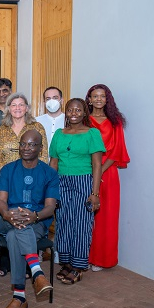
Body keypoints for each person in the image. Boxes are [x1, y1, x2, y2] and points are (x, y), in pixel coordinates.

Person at [0, 130, 58, 308]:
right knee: (17, 224)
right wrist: (7, 215)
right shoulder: (8, 169)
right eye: (23, 144)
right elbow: (1, 201)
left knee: (16, 235)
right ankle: (37, 272)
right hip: (8, 219)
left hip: (36, 221)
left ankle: (19, 297)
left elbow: (50, 207)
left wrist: (34, 216)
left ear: (40, 148)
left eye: (32, 145)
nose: (26, 148)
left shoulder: (49, 173)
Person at [49, 99, 105, 285]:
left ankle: (79, 266)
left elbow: (97, 164)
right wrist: (50, 190)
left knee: (81, 223)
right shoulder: (59, 134)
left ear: (84, 113)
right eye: (70, 109)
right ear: (66, 113)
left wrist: (95, 193)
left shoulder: (92, 133)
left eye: (78, 110)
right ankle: (66, 262)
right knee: (63, 221)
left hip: (83, 181)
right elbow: (53, 163)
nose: (74, 113)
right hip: (61, 182)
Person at [85, 84, 130, 271]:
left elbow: (118, 149)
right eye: (94, 96)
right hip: (85, 169)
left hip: (108, 172)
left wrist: (100, 169)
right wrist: (93, 169)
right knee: (85, 216)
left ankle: (102, 259)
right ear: (89, 99)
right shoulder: (83, 119)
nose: (98, 99)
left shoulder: (115, 121)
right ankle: (84, 256)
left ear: (107, 99)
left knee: (106, 217)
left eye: (102, 96)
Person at [0, 93, 48, 174]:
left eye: (21, 105)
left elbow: (43, 154)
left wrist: (35, 174)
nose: (17, 108)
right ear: (8, 108)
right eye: (14, 105)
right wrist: (4, 175)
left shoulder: (37, 127)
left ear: (26, 108)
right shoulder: (1, 130)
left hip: (32, 176)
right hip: (8, 177)